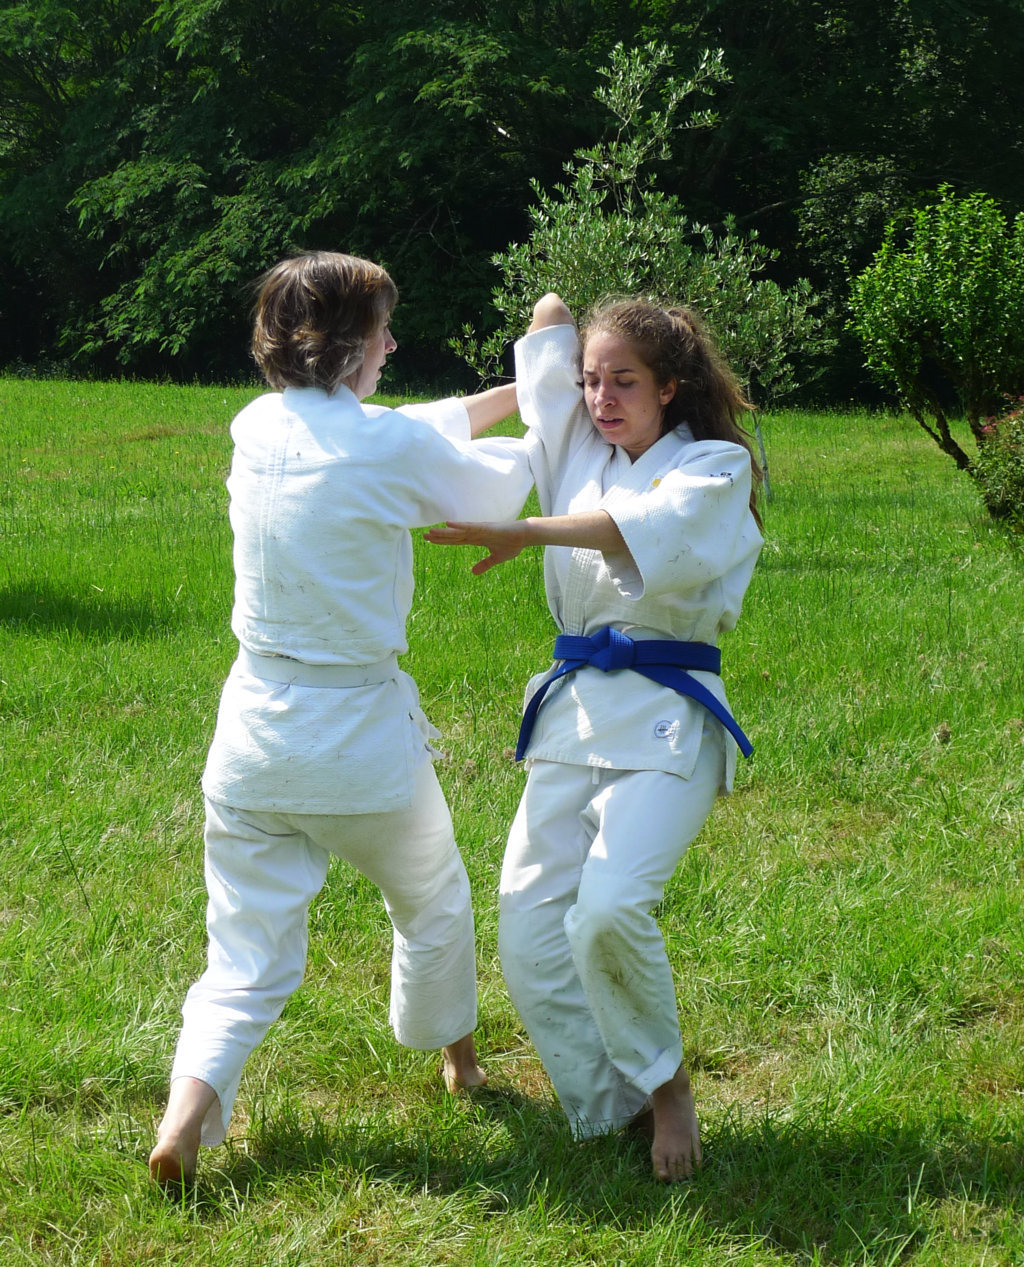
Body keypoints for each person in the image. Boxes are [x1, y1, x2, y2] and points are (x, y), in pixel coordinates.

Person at [148, 251, 533, 1187]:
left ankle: (184, 1118)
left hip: (250, 744)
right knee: (433, 898)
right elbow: (481, 488)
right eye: (384, 332)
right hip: (357, 745)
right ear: (352, 344)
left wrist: (517, 393)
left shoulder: (255, 426)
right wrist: (553, 413)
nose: (393, 346)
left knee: (243, 953)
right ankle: (460, 1064)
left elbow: (394, 430)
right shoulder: (381, 444)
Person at [425, 292, 763, 1182]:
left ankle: (667, 1085)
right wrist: (577, 326)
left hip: (667, 714)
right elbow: (547, 320)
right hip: (574, 713)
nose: (601, 398)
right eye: (590, 381)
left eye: (625, 381)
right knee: (529, 927)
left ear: (671, 386)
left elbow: (631, 531)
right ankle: (610, 1103)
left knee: (609, 907)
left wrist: (523, 528)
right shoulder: (580, 444)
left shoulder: (716, 465)